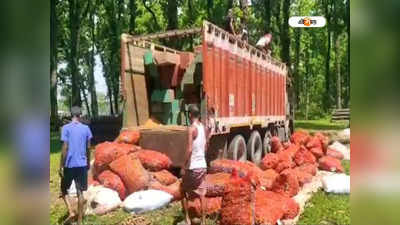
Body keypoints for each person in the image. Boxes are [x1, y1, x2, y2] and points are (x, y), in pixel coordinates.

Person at [59, 106, 93, 225]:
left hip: (69, 164)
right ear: (80, 115)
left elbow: (65, 147)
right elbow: (88, 148)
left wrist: (61, 165)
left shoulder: (65, 128)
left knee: (63, 190)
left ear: (70, 114)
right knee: (80, 193)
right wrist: (88, 162)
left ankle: (71, 212)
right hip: (82, 164)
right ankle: (79, 221)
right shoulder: (86, 128)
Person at [181, 105, 208, 225]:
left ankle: (187, 219)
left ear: (190, 115)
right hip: (203, 166)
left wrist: (183, 165)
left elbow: (190, 149)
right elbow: (206, 145)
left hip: (193, 167)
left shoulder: (191, 129)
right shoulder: (203, 127)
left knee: (182, 190)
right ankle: (203, 222)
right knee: (202, 194)